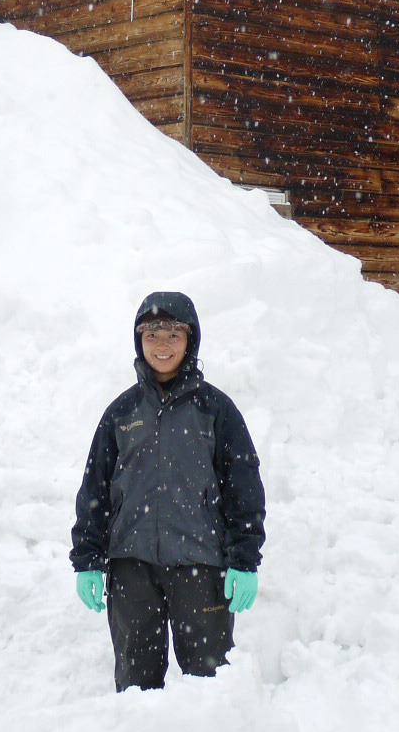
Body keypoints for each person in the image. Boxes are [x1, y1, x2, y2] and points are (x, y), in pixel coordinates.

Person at [69, 290, 266, 691]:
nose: (163, 345)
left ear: (190, 340)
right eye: (152, 334)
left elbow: (243, 488)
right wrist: (88, 558)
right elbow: (96, 488)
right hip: (130, 568)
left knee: (210, 685)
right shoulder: (121, 413)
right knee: (136, 687)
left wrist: (244, 558)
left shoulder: (216, 410)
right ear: (138, 340)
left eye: (173, 334)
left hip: (200, 567)